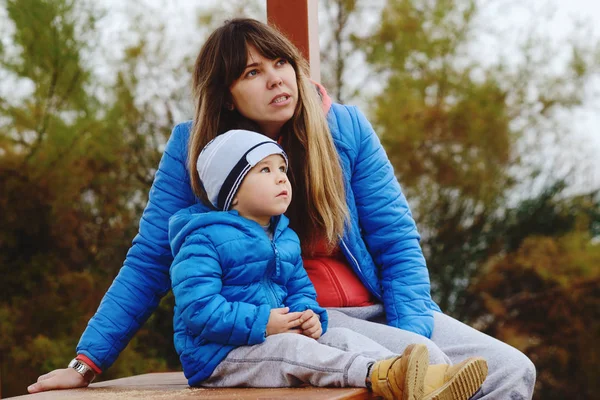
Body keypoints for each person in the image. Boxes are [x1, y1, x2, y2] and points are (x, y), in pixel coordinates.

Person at [28, 18, 536, 400]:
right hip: (309, 316)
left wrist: (410, 335)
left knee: (512, 370)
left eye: (280, 62)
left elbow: (396, 240)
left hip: (389, 308)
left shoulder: (346, 129)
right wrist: (86, 362)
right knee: (412, 371)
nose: (276, 79)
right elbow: (149, 261)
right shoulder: (196, 152)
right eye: (253, 71)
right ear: (225, 96)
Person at [168, 128, 487, 400]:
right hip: (219, 356)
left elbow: (299, 289)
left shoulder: (284, 236)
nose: (280, 178)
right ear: (231, 191)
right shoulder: (203, 240)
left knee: (341, 339)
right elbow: (198, 309)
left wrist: (311, 316)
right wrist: (262, 322)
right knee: (294, 350)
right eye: (265, 171)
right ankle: (384, 375)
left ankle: (426, 378)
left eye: (282, 169)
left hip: (272, 337)